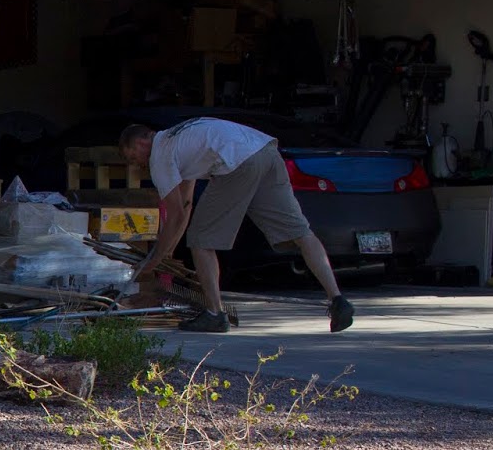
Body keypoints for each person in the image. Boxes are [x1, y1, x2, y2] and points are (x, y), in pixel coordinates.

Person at [119, 119, 354, 333]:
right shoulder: (179, 139)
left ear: (142, 141)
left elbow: (176, 214)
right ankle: (338, 300)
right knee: (301, 232)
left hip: (238, 163)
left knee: (201, 240)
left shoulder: (160, 154)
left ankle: (214, 314)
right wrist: (166, 253)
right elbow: (186, 205)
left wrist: (155, 259)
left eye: (132, 157)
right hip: (266, 152)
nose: (136, 164)